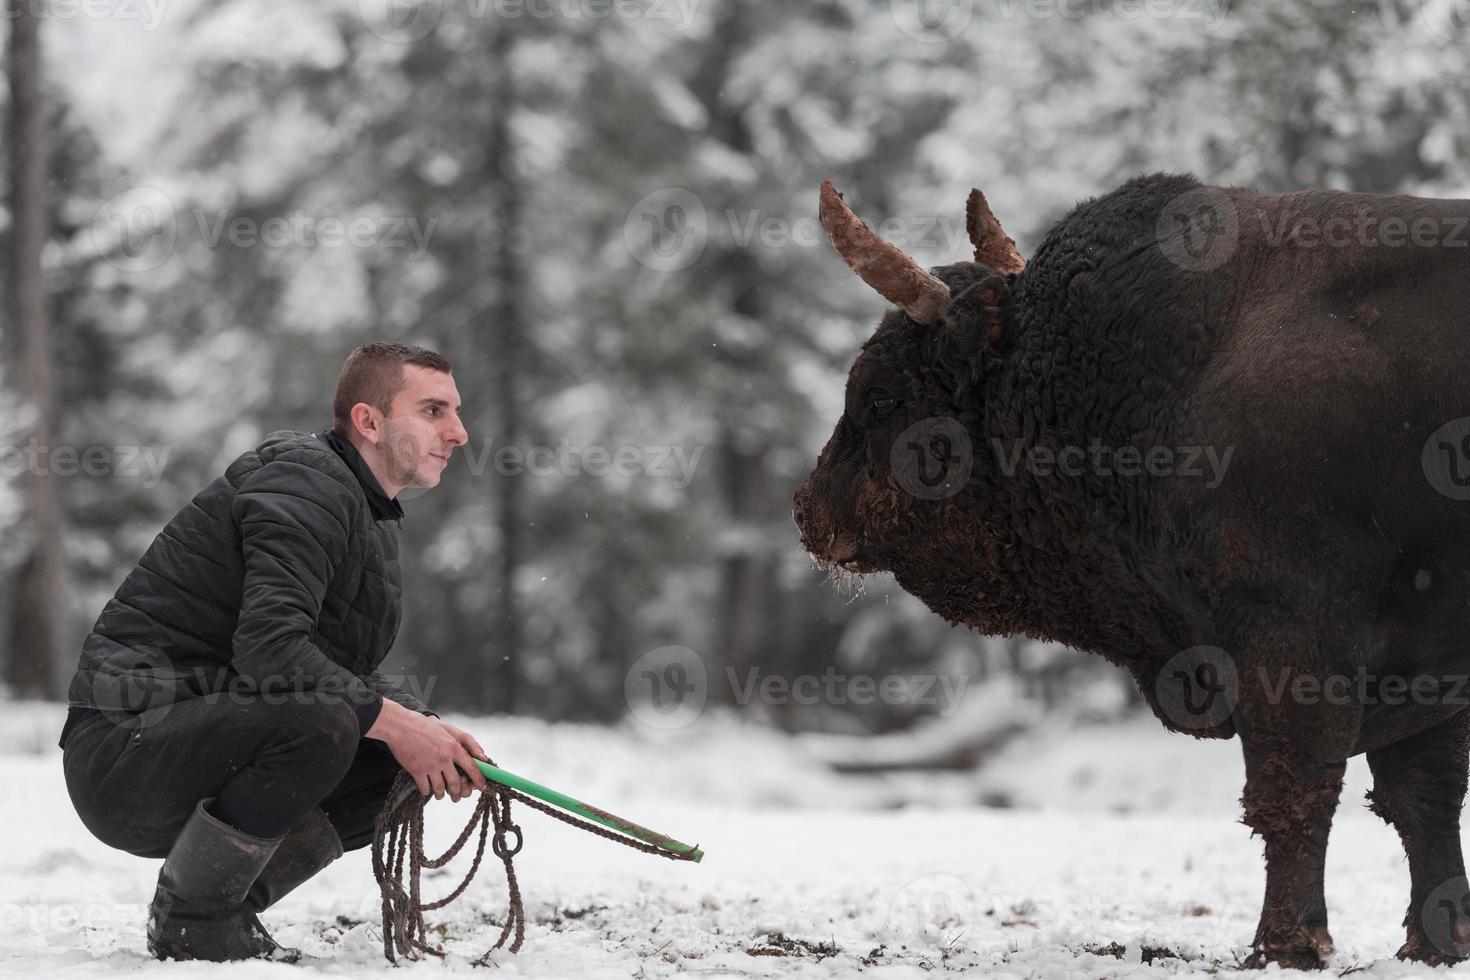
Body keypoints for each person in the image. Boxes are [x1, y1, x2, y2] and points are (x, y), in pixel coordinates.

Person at [57, 341, 490, 962]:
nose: (459, 433)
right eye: (433, 411)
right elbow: (272, 652)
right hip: (124, 751)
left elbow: (336, 670)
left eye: (455, 412)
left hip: (200, 738)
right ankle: (195, 919)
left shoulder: (364, 508)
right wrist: (396, 723)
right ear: (369, 421)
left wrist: (425, 732)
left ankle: (221, 907)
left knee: (399, 766)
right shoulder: (306, 482)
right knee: (331, 721)